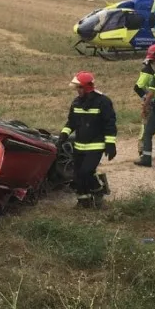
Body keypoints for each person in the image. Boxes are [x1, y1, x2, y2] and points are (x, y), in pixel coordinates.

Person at [59, 71, 117, 209]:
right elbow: (71, 122)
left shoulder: (103, 102)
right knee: (77, 175)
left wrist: (110, 143)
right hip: (79, 146)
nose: (77, 90)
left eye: (79, 87)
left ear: (86, 88)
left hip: (96, 145)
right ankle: (83, 201)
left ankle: (99, 192)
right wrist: (63, 135)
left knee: (87, 171)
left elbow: (110, 124)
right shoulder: (76, 102)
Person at [134, 44, 155, 158]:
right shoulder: (147, 70)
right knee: (146, 126)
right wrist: (147, 99)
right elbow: (137, 87)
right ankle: (142, 150)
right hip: (150, 104)